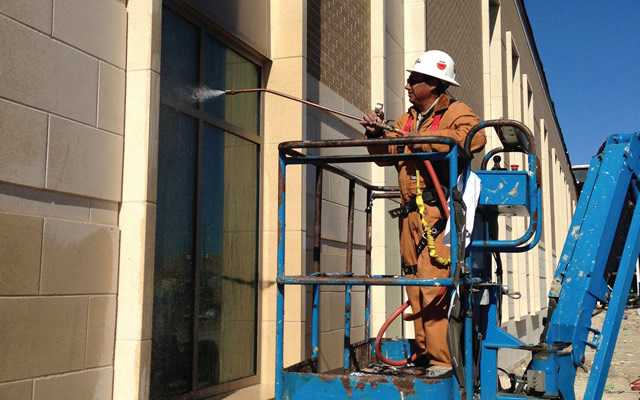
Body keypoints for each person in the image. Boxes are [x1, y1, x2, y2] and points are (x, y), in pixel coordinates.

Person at [360, 50, 486, 368]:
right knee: (414, 286)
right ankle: (424, 354)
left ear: (433, 84)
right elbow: (385, 153)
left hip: (438, 214)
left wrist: (424, 139)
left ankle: (442, 366)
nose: (407, 86)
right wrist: (375, 134)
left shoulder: (456, 111)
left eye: (413, 80)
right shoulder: (406, 119)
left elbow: (475, 137)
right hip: (409, 218)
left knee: (434, 290)